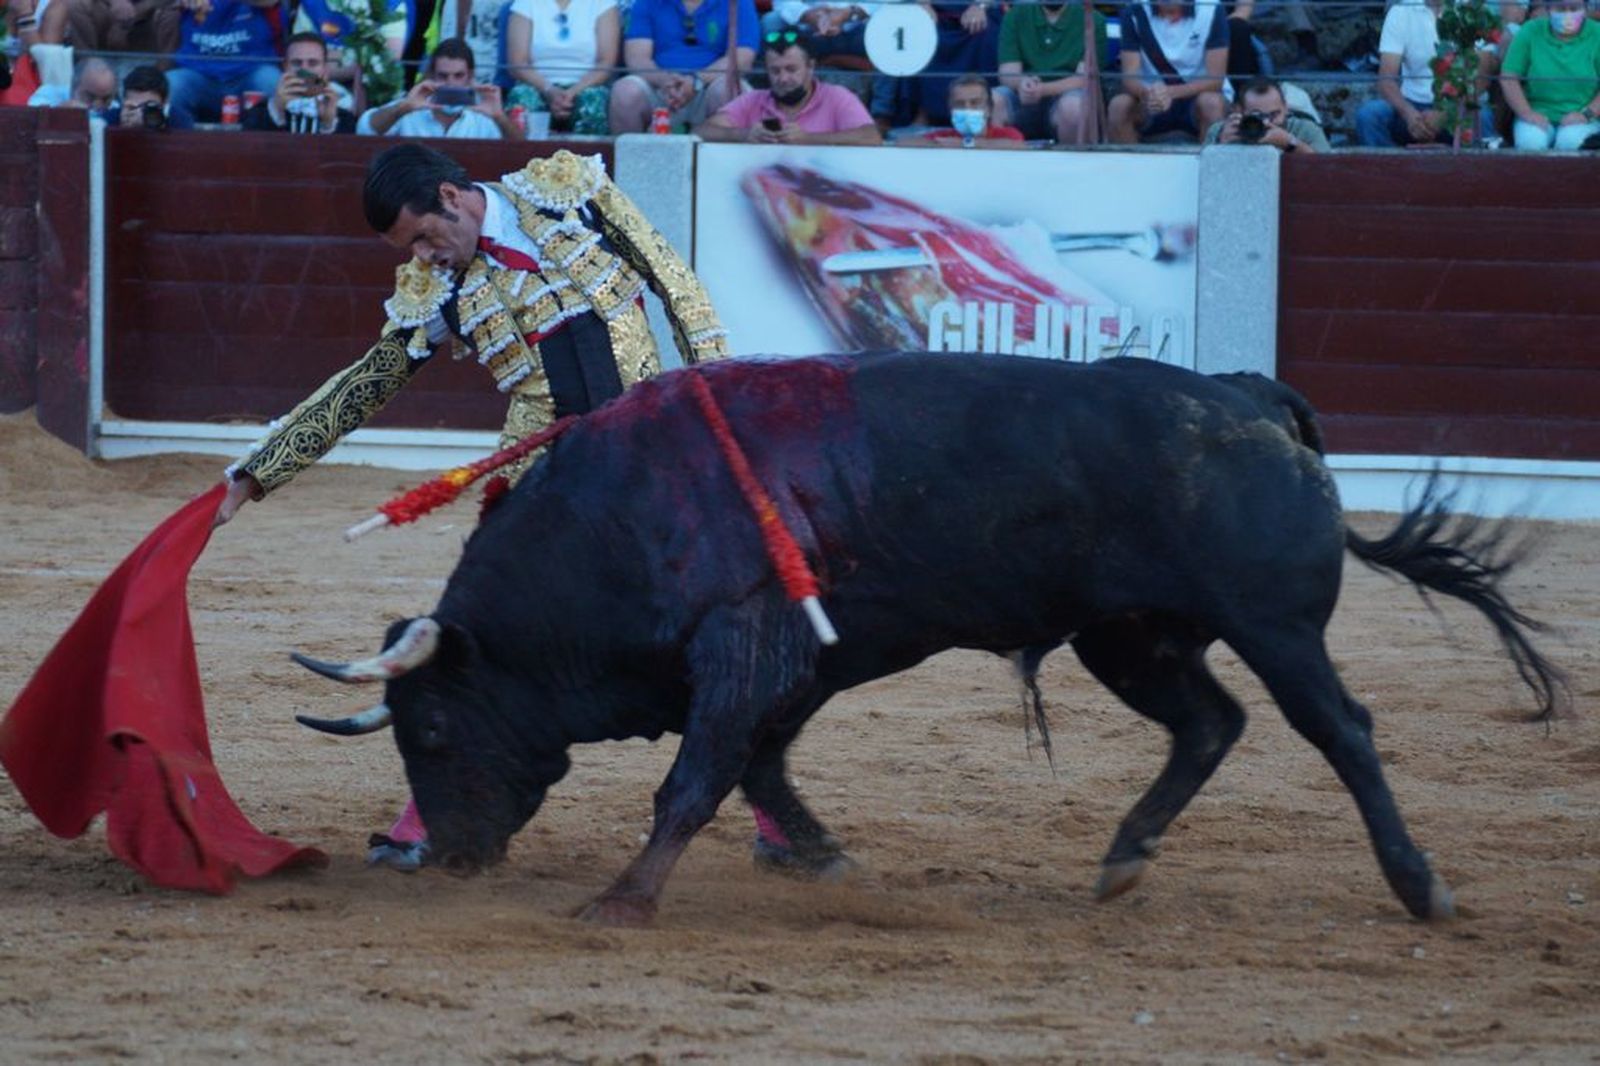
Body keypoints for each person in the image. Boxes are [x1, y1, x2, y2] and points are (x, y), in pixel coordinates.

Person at [213, 144, 730, 870]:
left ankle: (774, 819)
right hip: (536, 474)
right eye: (410, 249)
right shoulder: (435, 289)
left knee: (730, 616)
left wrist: (717, 388)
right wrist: (257, 473)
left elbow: (672, 279)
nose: (425, 257)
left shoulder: (565, 192)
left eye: (425, 236)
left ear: (453, 197)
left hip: (646, 449)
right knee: (482, 639)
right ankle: (422, 817)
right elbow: (367, 382)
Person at [697, 30, 882, 144]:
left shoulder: (836, 97)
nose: (783, 78)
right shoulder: (754, 100)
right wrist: (744, 135)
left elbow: (871, 137)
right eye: (775, 71)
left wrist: (808, 139)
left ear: (811, 67)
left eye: (791, 69)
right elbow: (701, 131)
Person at [609, 0, 759, 133]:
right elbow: (637, 58)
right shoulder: (647, 2)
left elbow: (742, 58)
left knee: (729, 89)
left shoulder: (739, 2)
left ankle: (727, 163)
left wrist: (696, 81)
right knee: (625, 92)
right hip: (659, 88)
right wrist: (665, 81)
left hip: (709, 86)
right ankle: (629, 162)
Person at [1106, 0, 1230, 144]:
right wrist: (1148, 94)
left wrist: (1170, 92)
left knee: (1212, 103)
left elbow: (1215, 81)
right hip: (1151, 99)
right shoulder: (1134, 11)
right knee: (1119, 106)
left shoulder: (1211, 8)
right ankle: (1129, 166)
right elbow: (1129, 78)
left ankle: (1209, 164)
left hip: (1197, 98)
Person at [358, 37, 524, 139]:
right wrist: (402, 108)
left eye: (458, 76)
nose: (450, 83)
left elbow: (522, 150)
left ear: (470, 76)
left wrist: (500, 117)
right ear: (431, 75)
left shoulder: (484, 115)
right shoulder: (410, 106)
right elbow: (365, 129)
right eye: (443, 76)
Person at [993, 0, 1107, 145]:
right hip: (1022, 94)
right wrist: (1023, 83)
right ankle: (998, 165)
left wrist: (1043, 89)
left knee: (1073, 108)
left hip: (1065, 96)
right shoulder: (1015, 15)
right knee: (993, 100)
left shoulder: (1094, 20)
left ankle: (1072, 165)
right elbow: (1007, 72)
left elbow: (1083, 79)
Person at [503, 0, 620, 134]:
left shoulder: (603, 4)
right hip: (537, 84)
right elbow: (518, 63)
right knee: (522, 97)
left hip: (587, 85)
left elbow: (606, 63)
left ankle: (587, 154)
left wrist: (572, 92)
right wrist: (549, 90)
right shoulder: (526, 4)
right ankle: (524, 154)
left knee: (591, 101)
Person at [165, 0, 284, 127]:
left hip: (250, 72)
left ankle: (262, 144)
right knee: (171, 84)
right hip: (198, 74)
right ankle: (182, 144)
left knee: (271, 81)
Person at [1499, 0, 1600, 150]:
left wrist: (1586, 115)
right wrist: (1527, 113)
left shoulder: (1597, 34)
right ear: (1548, 9)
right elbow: (1508, 78)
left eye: (1574, 8)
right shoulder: (1530, 30)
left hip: (1585, 117)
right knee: (1530, 144)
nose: (1567, 14)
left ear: (1585, 9)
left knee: (1570, 143)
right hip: (1536, 114)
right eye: (1560, 8)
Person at [1354, 0, 1453, 147]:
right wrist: (1409, 114)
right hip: (1412, 103)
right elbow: (1386, 79)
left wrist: (1446, 113)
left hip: (1457, 105)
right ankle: (1390, 169)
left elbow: (1480, 77)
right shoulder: (1401, 11)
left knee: (1483, 117)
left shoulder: (1470, 8)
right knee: (1368, 115)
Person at [243, 31, 359, 133]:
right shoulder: (258, 114)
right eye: (297, 63)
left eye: (313, 63)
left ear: (325, 68)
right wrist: (277, 110)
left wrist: (328, 124)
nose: (304, 70)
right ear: (285, 67)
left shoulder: (344, 118)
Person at [1203, 75, 1329, 151]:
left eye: (1274, 115)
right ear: (1239, 111)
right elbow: (1203, 173)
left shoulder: (1306, 129)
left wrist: (1290, 143)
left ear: (1286, 108)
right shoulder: (1221, 131)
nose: (1267, 122)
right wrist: (1219, 147)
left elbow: (1327, 169)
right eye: (1257, 116)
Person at [905, 72, 1026, 147]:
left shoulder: (1007, 135)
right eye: (959, 104)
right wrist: (939, 144)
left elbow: (1018, 146)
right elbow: (903, 143)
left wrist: (966, 144)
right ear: (951, 110)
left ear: (989, 108)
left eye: (975, 103)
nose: (967, 108)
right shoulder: (946, 137)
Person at [28, 55, 117, 116]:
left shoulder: (114, 108)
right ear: (74, 88)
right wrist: (60, 111)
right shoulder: (48, 94)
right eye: (91, 97)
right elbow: (32, 117)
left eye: (105, 99)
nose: (98, 106)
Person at [119, 63, 195, 130]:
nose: (140, 114)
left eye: (148, 106)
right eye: (133, 107)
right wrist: (122, 128)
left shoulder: (180, 119)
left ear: (165, 102)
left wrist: (151, 126)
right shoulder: (114, 117)